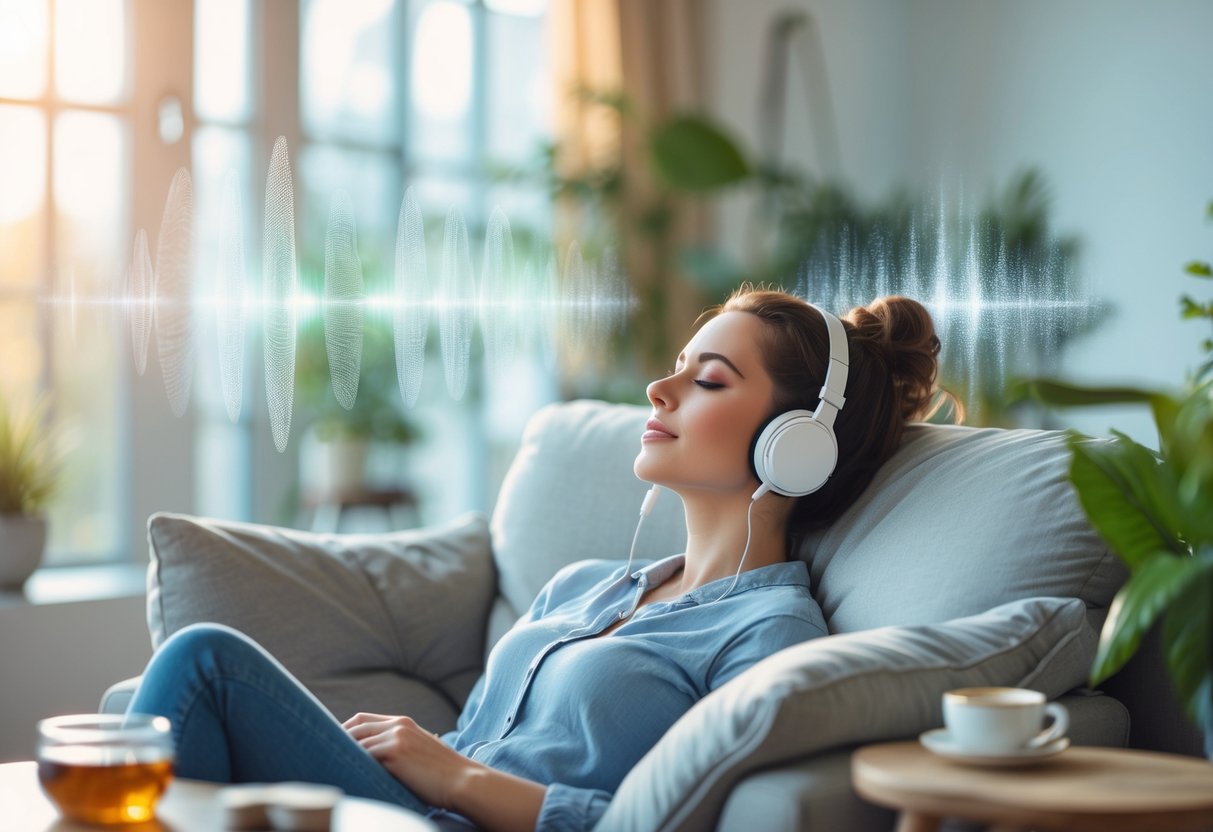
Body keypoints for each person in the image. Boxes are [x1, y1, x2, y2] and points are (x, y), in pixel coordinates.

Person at [127, 285, 954, 832]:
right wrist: (424, 763)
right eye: (673, 371)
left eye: (707, 381)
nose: (657, 393)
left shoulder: (769, 635)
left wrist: (454, 778)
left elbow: (667, 824)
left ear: (795, 443)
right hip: (406, 810)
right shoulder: (585, 585)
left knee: (209, 666)